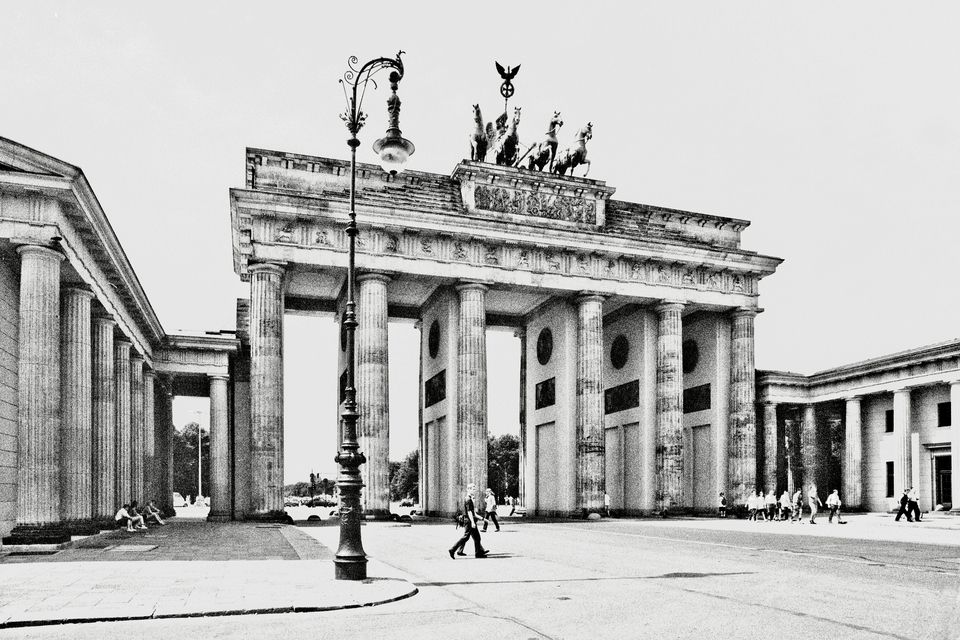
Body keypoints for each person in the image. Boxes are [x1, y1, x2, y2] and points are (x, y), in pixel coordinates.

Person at [449, 483, 489, 559]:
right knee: (466, 537)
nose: (475, 490)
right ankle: (452, 549)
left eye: (475, 489)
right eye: (473, 489)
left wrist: (483, 519)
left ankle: (478, 553)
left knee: (477, 537)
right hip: (469, 520)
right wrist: (473, 522)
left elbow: (473, 513)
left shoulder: (469, 499)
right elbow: (470, 512)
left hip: (469, 520)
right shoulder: (468, 499)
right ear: (469, 489)